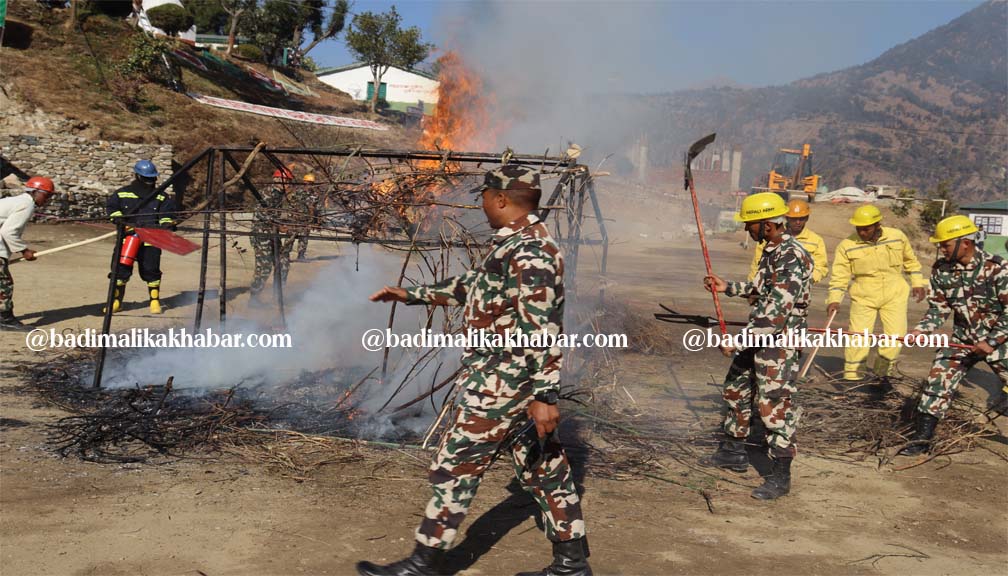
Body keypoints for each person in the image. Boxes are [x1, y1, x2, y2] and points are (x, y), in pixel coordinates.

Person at [360, 165, 591, 576]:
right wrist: (411, 295)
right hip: (510, 381)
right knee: (544, 467)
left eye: (484, 195)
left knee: (455, 464)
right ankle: (572, 564)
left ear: (501, 199)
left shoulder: (531, 249)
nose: (480, 202)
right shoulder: (515, 244)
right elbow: (474, 286)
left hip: (504, 384)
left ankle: (423, 563)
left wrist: (544, 396)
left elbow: (541, 327)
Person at [700, 192, 813, 500]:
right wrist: (729, 287)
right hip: (760, 336)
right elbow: (761, 290)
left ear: (766, 225)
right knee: (736, 388)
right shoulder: (772, 251)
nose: (746, 231)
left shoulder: (793, 256)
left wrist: (738, 342)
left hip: (778, 344)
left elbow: (775, 313)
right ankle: (733, 452)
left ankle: (780, 476)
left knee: (773, 405)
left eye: (749, 225)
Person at [901, 215, 1008, 455]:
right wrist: (922, 330)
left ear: (965, 243)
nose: (941, 248)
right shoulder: (942, 269)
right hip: (962, 341)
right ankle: (922, 440)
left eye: (945, 244)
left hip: (1000, 341)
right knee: (936, 383)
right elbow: (939, 309)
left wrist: (992, 341)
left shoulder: (997, 268)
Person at [827, 205, 926, 392]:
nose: (862, 232)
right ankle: (853, 379)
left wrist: (917, 283)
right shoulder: (847, 246)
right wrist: (834, 299)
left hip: (895, 293)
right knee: (858, 338)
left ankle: (882, 377)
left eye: (867, 228)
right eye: (858, 229)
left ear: (877, 224)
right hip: (863, 296)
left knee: (895, 338)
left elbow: (911, 261)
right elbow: (839, 277)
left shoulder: (897, 236)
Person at [106, 160, 177, 314]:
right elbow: (112, 208)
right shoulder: (122, 193)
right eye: (147, 178)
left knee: (151, 271)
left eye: (152, 178)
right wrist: (118, 219)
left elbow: (167, 214)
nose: (150, 182)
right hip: (128, 239)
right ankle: (116, 302)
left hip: (152, 240)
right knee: (120, 271)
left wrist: (167, 224)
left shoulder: (161, 197)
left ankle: (154, 302)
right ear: (137, 176)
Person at [0, 177, 57, 330]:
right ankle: (5, 319)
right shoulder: (26, 204)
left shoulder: (16, 201)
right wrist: (24, 251)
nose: (47, 200)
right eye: (46, 195)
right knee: (3, 284)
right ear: (36, 192)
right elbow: (8, 231)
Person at [748, 198, 828, 285]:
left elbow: (821, 267)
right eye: (794, 219)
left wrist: (805, 281)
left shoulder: (816, 241)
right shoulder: (771, 237)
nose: (798, 222)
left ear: (807, 218)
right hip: (769, 287)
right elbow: (757, 264)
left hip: (798, 291)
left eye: (802, 219)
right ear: (787, 218)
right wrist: (752, 286)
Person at [249, 167, 295, 307]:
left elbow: (276, 214)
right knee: (264, 267)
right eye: (287, 181)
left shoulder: (280, 195)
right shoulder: (268, 193)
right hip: (262, 234)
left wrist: (284, 223)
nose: (289, 185)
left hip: (272, 233)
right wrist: (278, 225)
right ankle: (254, 298)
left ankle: (278, 296)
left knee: (283, 263)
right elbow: (261, 213)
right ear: (279, 180)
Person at [293, 173, 319, 261]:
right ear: (304, 182)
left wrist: (316, 222)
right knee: (291, 237)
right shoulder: (298, 192)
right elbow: (291, 204)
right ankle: (285, 254)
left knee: (304, 238)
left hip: (306, 220)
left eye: (311, 183)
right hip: (295, 219)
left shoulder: (315, 195)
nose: (309, 185)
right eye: (307, 183)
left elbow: (316, 209)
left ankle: (301, 255)